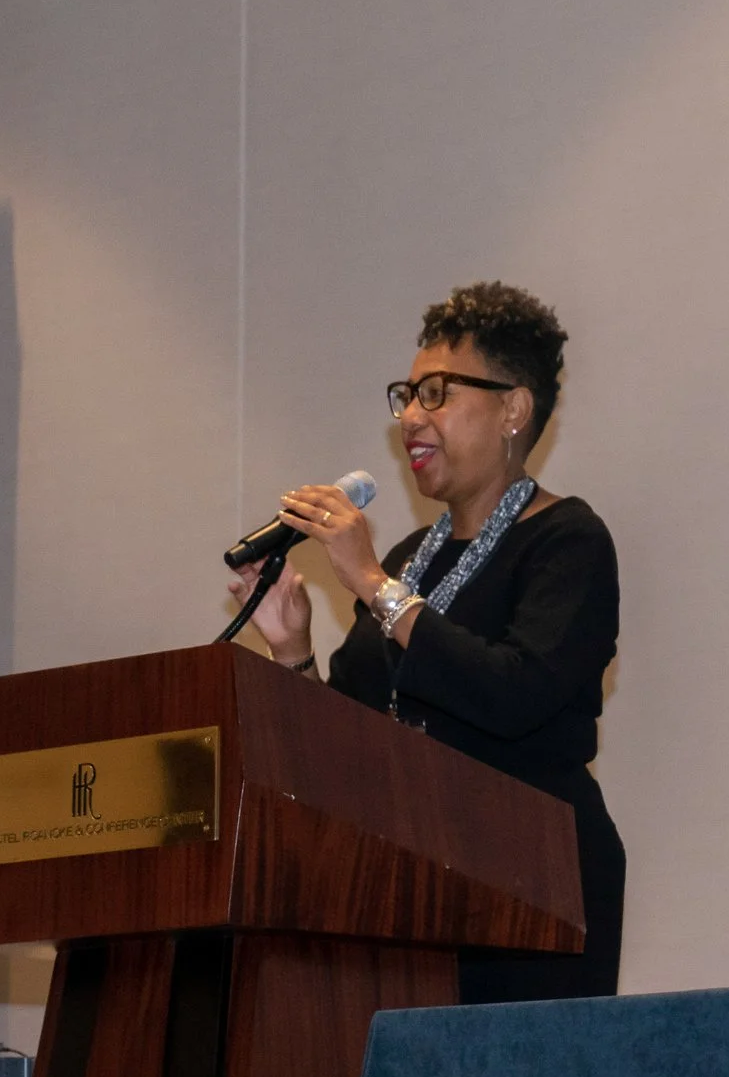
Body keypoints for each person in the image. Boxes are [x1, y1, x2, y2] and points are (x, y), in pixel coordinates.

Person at [230, 281, 623, 1003]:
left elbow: (513, 693)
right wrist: (293, 652)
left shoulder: (567, 541)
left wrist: (374, 584)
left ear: (513, 408)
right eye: (406, 395)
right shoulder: (413, 558)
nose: (410, 416)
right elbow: (343, 749)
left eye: (437, 393)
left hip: (534, 895)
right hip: (406, 895)